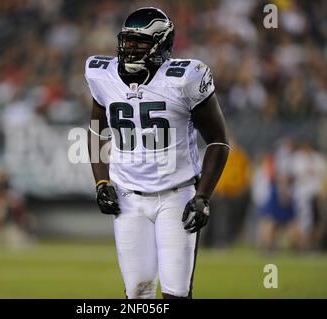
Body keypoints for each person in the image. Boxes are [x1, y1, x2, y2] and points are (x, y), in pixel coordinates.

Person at [85, 7, 229, 299]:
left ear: (161, 44)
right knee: (137, 293)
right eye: (126, 41)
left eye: (139, 43)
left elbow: (218, 140)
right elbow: (97, 131)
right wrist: (102, 183)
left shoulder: (185, 78)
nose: (129, 49)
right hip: (128, 198)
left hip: (177, 196)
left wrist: (202, 196)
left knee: (176, 292)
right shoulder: (103, 75)